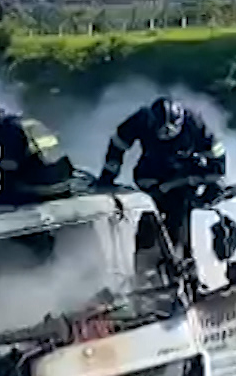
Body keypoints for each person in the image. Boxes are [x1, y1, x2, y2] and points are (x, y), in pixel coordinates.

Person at [96, 96, 227, 259]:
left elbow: (217, 161)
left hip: (184, 174)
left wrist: (212, 184)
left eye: (170, 130)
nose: (165, 134)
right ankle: (144, 253)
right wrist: (107, 177)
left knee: (179, 209)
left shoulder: (195, 125)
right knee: (149, 210)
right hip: (151, 172)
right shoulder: (140, 120)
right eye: (160, 129)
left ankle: (180, 256)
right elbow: (117, 145)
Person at [0, 106, 76, 204]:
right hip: (63, 182)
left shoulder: (10, 132)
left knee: (5, 166)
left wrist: (3, 196)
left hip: (43, 189)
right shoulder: (28, 123)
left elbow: (9, 170)